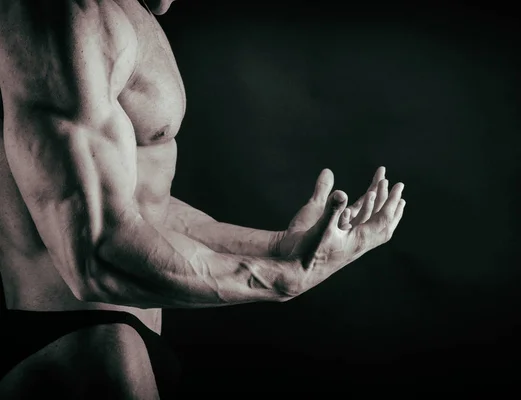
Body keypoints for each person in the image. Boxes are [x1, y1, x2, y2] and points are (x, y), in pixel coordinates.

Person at [0, 0, 406, 398]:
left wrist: (279, 250)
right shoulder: (66, 16)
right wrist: (280, 280)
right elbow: (96, 254)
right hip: (81, 346)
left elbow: (140, 209)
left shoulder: (125, 15)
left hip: (126, 340)